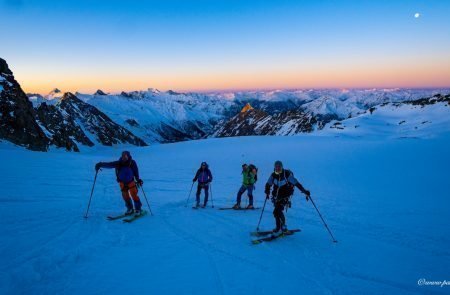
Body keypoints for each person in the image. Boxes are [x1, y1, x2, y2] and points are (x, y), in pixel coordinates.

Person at [265, 160, 310, 233]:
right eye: (276, 167)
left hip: (285, 196)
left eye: (279, 166)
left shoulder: (287, 174)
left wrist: (304, 191)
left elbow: (296, 183)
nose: (278, 168)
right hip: (276, 196)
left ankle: (283, 228)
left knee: (278, 210)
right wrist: (267, 192)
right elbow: (268, 184)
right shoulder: (273, 175)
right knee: (276, 212)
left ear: (282, 167)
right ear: (274, 167)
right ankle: (278, 227)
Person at [95, 151, 144, 216]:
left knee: (134, 195)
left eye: (125, 156)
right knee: (125, 196)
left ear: (128, 156)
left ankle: (138, 209)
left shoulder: (132, 163)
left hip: (131, 182)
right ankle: (130, 208)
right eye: (123, 155)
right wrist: (100, 164)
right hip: (122, 183)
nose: (124, 157)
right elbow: (109, 164)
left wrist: (138, 180)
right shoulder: (118, 163)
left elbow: (136, 171)